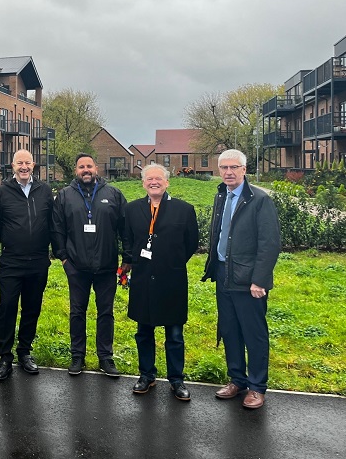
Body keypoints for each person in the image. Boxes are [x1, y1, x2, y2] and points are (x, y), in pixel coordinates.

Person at [202, 149, 280, 409]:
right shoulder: (221, 196)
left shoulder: (258, 200)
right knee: (230, 330)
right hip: (223, 274)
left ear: (244, 170)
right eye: (224, 167)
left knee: (253, 333)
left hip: (248, 280)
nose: (228, 172)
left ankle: (257, 387)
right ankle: (237, 379)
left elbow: (269, 244)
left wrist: (259, 280)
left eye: (234, 167)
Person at [121, 164, 198, 401]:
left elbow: (191, 243)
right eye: (149, 179)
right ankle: (147, 375)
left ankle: (177, 379)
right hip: (143, 279)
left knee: (174, 333)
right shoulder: (132, 209)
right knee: (144, 331)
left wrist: (170, 262)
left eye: (159, 179)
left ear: (167, 182)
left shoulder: (184, 210)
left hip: (172, 279)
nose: (154, 182)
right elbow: (128, 239)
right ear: (143, 183)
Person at [52, 153, 126, 377]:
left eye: (89, 166)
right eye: (81, 167)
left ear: (97, 169)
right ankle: (77, 355)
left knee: (106, 313)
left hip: (106, 266)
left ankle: (105, 357)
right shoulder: (65, 196)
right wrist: (64, 258)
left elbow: (125, 227)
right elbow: (57, 229)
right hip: (76, 267)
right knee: (77, 312)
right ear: (76, 170)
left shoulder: (113, 194)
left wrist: (127, 259)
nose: (86, 170)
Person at [0, 149, 54, 381]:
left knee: (32, 307)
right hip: (11, 260)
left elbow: (51, 221)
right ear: (12, 165)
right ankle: (4, 356)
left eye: (27, 163)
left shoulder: (44, 191)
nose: (24, 167)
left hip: (38, 260)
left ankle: (24, 352)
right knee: (6, 306)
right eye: (20, 163)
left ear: (33, 165)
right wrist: (11, 240)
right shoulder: (1, 192)